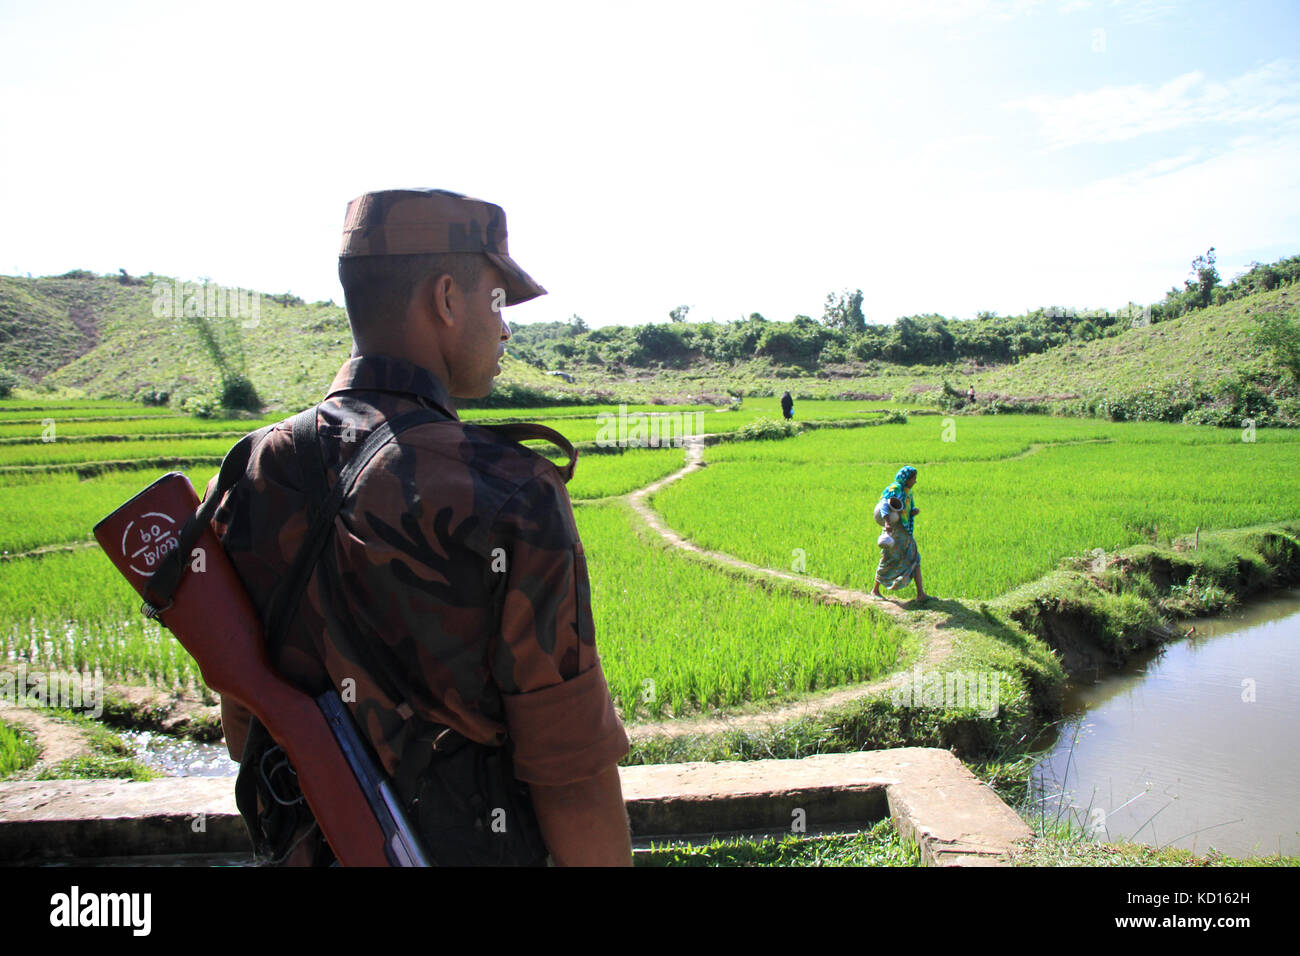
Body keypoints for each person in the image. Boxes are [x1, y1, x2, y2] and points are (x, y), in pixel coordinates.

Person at [210, 188, 632, 866]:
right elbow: (572, 775)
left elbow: (243, 730)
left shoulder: (248, 472)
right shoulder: (511, 492)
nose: (504, 329)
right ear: (445, 299)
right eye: (496, 303)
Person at [870, 465, 928, 602]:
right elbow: (884, 504)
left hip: (905, 533)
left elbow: (905, 509)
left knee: (915, 559)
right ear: (906, 478)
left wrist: (912, 512)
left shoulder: (907, 491)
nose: (915, 481)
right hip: (894, 532)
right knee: (888, 559)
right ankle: (875, 590)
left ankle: (921, 594)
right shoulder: (895, 489)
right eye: (913, 479)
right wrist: (888, 523)